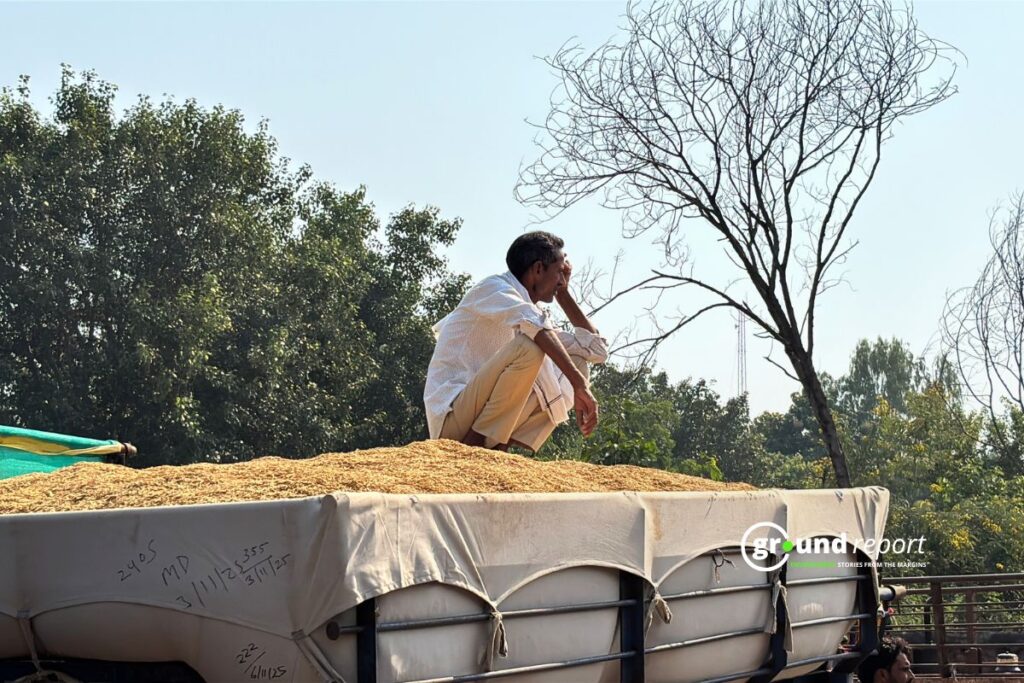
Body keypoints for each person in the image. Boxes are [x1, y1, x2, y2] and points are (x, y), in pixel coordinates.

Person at [424, 231, 607, 452]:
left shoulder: (534, 314)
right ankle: (476, 444)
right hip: (452, 417)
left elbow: (595, 350)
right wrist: (579, 386)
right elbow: (537, 329)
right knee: (530, 347)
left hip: (485, 415)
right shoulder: (494, 288)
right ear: (538, 269)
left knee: (576, 362)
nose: (562, 279)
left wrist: (564, 294)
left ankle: (500, 446)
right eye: (559, 272)